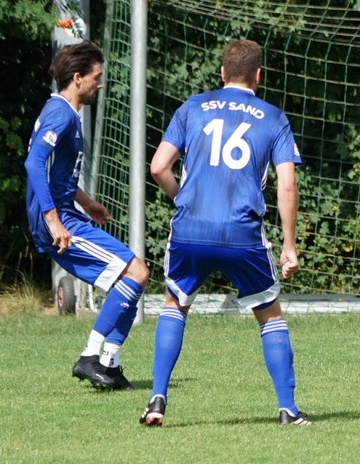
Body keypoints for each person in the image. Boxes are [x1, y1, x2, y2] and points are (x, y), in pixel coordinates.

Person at [144, 39, 309, 426]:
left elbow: (158, 167)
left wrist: (183, 199)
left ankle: (156, 399)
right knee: (269, 315)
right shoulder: (273, 117)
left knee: (175, 304)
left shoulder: (192, 107)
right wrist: (289, 245)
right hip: (241, 232)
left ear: (221, 73)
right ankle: (287, 409)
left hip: (190, 228)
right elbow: (287, 186)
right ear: (258, 75)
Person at [25, 40, 150, 390]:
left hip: (66, 213)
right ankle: (92, 356)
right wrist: (53, 220)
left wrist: (87, 202)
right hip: (56, 220)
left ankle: (109, 363)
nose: (101, 83)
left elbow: (57, 174)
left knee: (136, 275)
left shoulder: (65, 112)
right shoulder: (61, 113)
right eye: (97, 76)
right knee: (136, 272)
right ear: (78, 78)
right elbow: (34, 163)